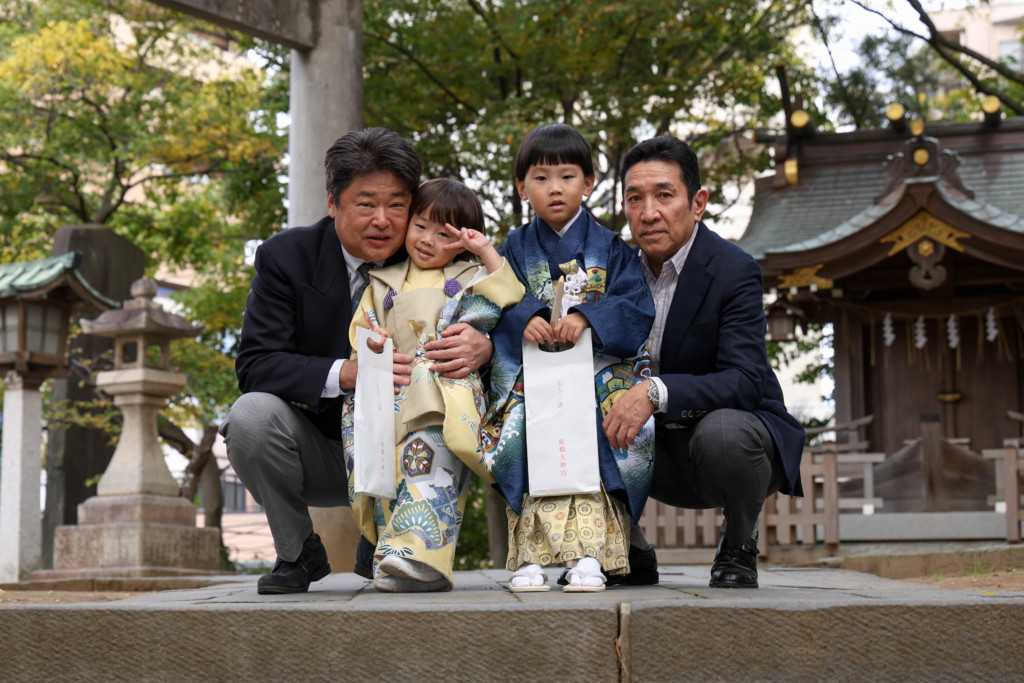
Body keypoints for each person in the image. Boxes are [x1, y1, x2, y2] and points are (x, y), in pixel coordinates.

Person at [220, 128, 494, 595]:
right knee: (249, 417)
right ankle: (297, 552)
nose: (383, 221)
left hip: (415, 444)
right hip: (324, 448)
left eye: (398, 205)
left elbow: (502, 314)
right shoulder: (287, 258)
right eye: (366, 204)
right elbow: (256, 364)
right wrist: (350, 374)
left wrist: (485, 348)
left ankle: (397, 540)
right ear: (333, 203)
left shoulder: (451, 263)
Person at [602, 135, 806, 589]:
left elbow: (745, 381)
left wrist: (653, 392)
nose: (648, 212)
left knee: (727, 432)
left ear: (697, 203)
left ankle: (738, 544)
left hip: (723, 445)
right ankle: (626, 549)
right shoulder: (613, 270)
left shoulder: (733, 269)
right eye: (635, 199)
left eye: (664, 195)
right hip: (645, 448)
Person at [483, 123, 656, 592]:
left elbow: (635, 306)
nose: (554, 188)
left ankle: (591, 558)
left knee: (609, 424)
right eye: (540, 178)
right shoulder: (514, 249)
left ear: (590, 182)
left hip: (597, 376)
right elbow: (492, 298)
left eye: (567, 176)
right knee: (518, 429)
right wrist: (525, 316)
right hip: (529, 377)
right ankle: (530, 559)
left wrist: (585, 318)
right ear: (521, 188)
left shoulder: (615, 249)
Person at [341, 178, 524, 593]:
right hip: (390, 390)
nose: (427, 239)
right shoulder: (382, 280)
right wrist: (374, 345)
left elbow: (510, 293)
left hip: (443, 387)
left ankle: (422, 559)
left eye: (444, 234)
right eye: (421, 226)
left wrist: (484, 252)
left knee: (428, 460)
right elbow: (360, 332)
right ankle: (394, 558)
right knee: (385, 469)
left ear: (461, 242)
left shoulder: (468, 275)